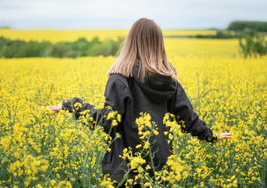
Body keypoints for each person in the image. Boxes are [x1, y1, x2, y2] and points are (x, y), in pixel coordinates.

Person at [45, 18, 232, 186]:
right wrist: (211, 135)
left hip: (127, 170)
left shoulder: (120, 79)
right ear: (159, 45)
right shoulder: (168, 79)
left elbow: (107, 120)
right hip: (162, 168)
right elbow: (187, 117)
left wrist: (72, 105)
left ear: (130, 42)